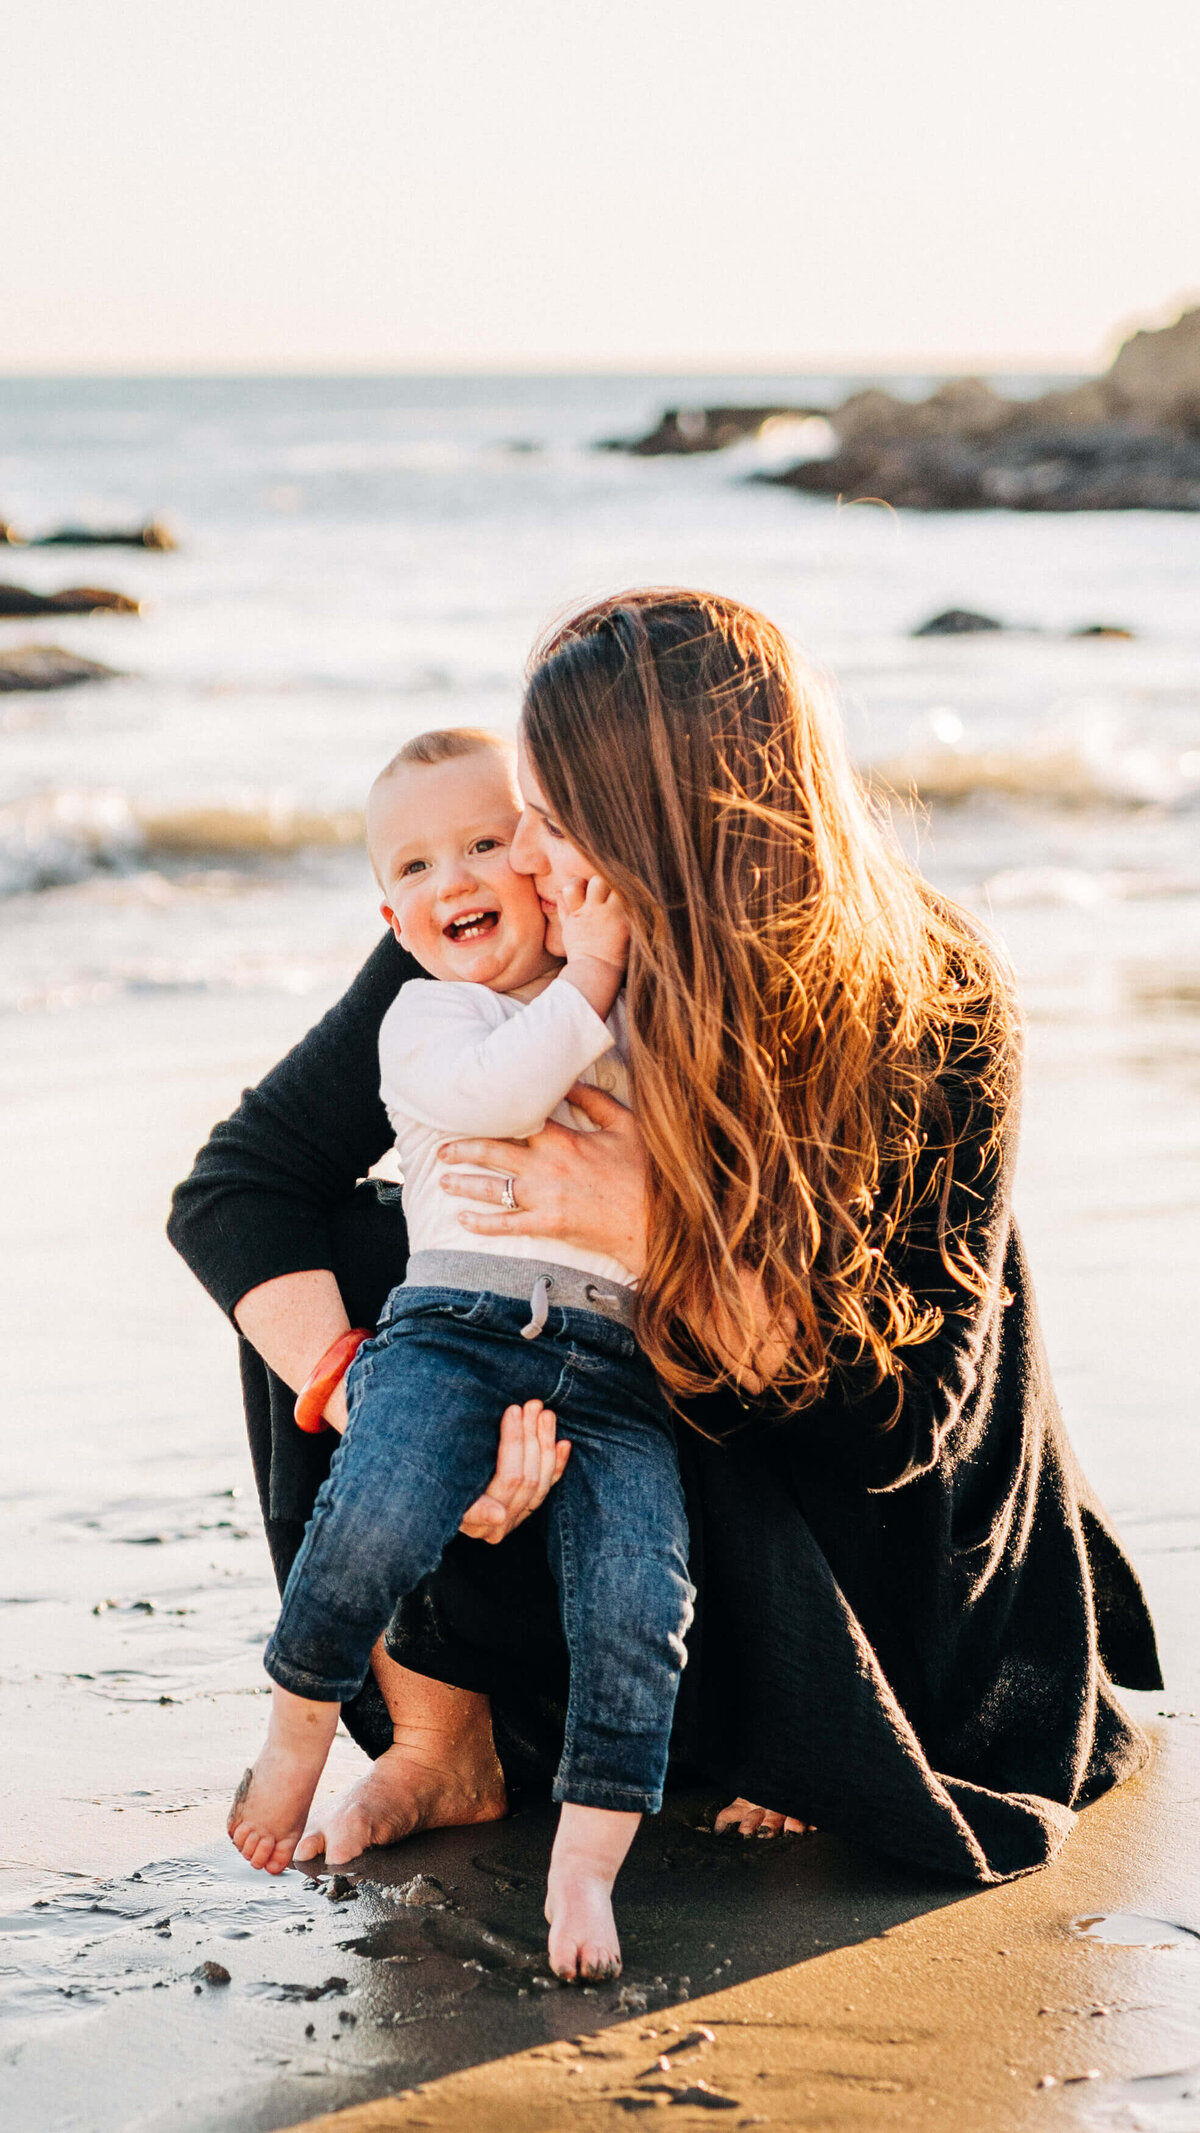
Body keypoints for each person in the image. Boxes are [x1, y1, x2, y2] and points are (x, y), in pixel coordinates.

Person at [170, 588, 1161, 1893]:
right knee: (361, 1253)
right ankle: (443, 1733)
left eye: (553, 804)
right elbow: (239, 1189)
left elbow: (898, 1431)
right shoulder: (519, 926)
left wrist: (649, 1223)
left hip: (868, 1533)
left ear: (659, 821)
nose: (517, 843)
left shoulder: (928, 988)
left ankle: (795, 1733)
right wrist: (386, 1408)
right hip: (600, 1427)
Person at [228, 726, 693, 1981]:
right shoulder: (430, 1012)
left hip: (609, 1366)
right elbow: (501, 1092)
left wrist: (609, 974)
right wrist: (589, 977)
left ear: (554, 856)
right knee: (371, 1513)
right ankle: (304, 1727)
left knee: (641, 1603)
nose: (459, 880)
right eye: (420, 867)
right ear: (391, 912)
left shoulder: (634, 994)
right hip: (452, 1334)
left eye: (492, 842)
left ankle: (588, 1865)